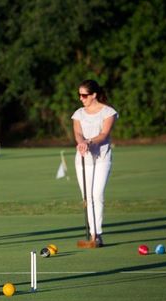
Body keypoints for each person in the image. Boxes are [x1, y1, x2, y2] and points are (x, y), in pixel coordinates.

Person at [71, 79, 118, 247]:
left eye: (84, 95)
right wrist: (81, 142)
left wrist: (88, 142)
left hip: (102, 157)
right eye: (79, 95)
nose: (81, 98)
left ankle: (97, 234)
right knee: (87, 197)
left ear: (94, 95)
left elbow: (104, 134)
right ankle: (92, 233)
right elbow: (77, 132)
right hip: (83, 159)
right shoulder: (78, 114)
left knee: (97, 195)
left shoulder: (108, 112)